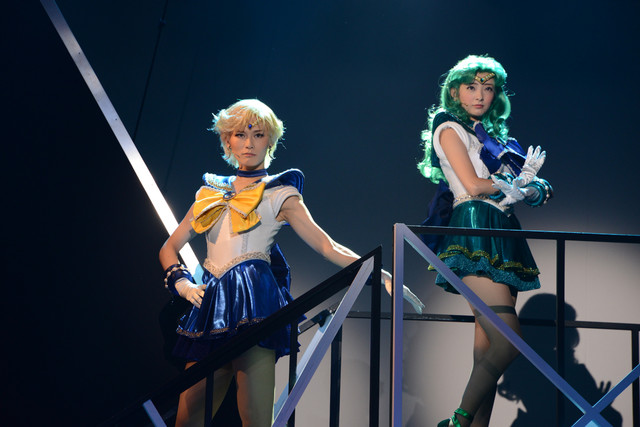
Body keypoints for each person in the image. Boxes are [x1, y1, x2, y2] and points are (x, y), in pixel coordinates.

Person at [160, 99, 423, 427]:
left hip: (254, 308)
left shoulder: (279, 194)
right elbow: (169, 248)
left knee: (256, 420)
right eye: (241, 134)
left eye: (258, 134)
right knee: (186, 420)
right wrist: (183, 284)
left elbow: (326, 245)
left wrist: (379, 272)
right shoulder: (210, 193)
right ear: (227, 140)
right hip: (211, 308)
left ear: (270, 141)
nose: (249, 143)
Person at [417, 55, 553, 427]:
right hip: (475, 225)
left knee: (487, 350)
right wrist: (514, 185)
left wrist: (532, 188)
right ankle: (457, 422)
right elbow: (475, 185)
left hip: (503, 230)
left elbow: (534, 188)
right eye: (471, 86)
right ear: (455, 91)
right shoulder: (449, 127)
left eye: (488, 88)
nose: (480, 95)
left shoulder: (495, 141)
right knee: (508, 340)